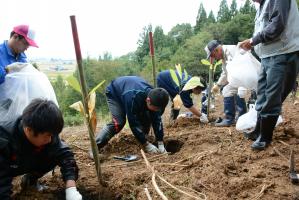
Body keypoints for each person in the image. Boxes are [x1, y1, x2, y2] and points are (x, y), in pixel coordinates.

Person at [239, 0, 299, 150]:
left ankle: (265, 137)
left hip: (283, 53)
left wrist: (253, 41)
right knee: (263, 95)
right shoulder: (262, 5)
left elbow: (277, 25)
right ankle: (258, 131)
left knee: (272, 96)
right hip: (268, 55)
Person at [0, 99, 82, 200]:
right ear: (28, 130)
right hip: (9, 165)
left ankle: (30, 181)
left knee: (54, 153)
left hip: (28, 160)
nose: (50, 140)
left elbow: (65, 156)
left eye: (52, 135)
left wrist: (71, 190)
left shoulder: (46, 132)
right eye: (47, 136)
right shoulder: (4, 139)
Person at [95, 76, 169, 154]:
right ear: (148, 100)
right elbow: (133, 123)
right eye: (155, 109)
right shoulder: (133, 98)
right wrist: (146, 144)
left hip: (131, 91)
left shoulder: (156, 97)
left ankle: (143, 139)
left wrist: (160, 142)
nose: (157, 111)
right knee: (119, 122)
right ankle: (95, 147)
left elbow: (157, 119)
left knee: (148, 116)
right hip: (115, 93)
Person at [204, 40, 247, 127]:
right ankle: (231, 118)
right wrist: (218, 85)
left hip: (245, 75)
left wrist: (241, 85)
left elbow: (241, 67)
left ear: (217, 50)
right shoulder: (223, 56)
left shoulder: (231, 50)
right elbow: (225, 73)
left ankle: (239, 117)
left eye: (213, 55)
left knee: (236, 91)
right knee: (227, 90)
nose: (214, 58)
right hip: (238, 77)